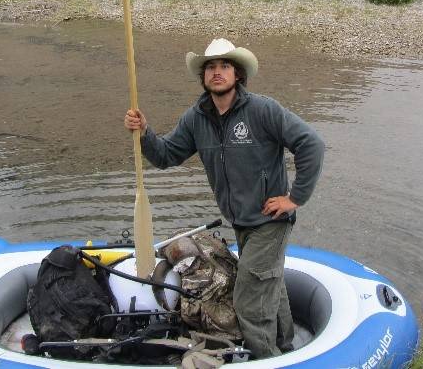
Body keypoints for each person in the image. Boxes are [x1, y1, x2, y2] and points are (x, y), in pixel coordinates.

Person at [124, 38, 325, 359]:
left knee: (248, 300)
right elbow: (165, 155)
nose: (217, 73)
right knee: (270, 286)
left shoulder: (263, 110)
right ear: (204, 77)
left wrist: (294, 198)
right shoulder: (196, 118)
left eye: (225, 66)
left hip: (271, 221)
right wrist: (144, 132)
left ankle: (267, 358)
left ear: (238, 74)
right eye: (211, 67)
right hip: (242, 222)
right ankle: (287, 347)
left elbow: (311, 144)